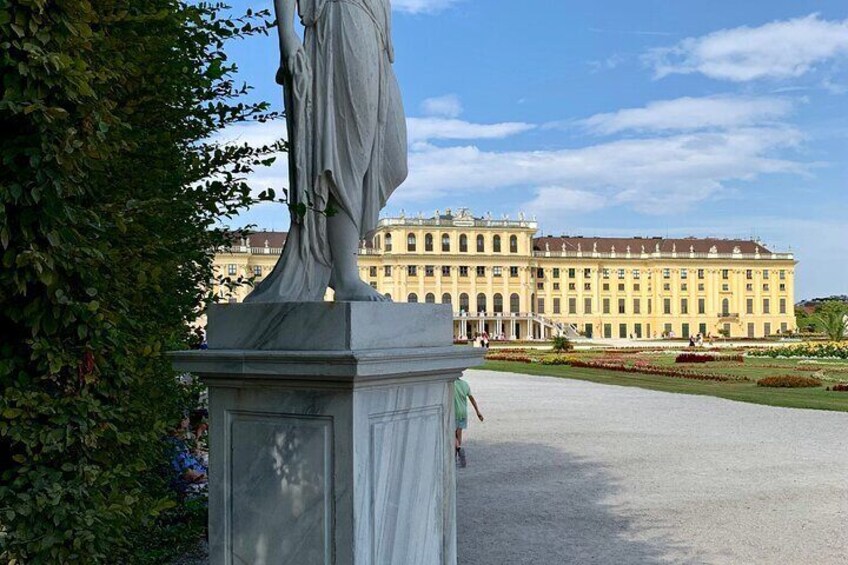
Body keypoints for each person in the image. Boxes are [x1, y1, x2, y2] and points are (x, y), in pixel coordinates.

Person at [454, 377, 484, 468]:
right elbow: (472, 399)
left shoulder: (451, 384)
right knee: (459, 433)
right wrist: (478, 412)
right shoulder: (465, 384)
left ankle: (458, 449)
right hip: (463, 412)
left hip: (453, 412)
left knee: (452, 434)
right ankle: (457, 454)